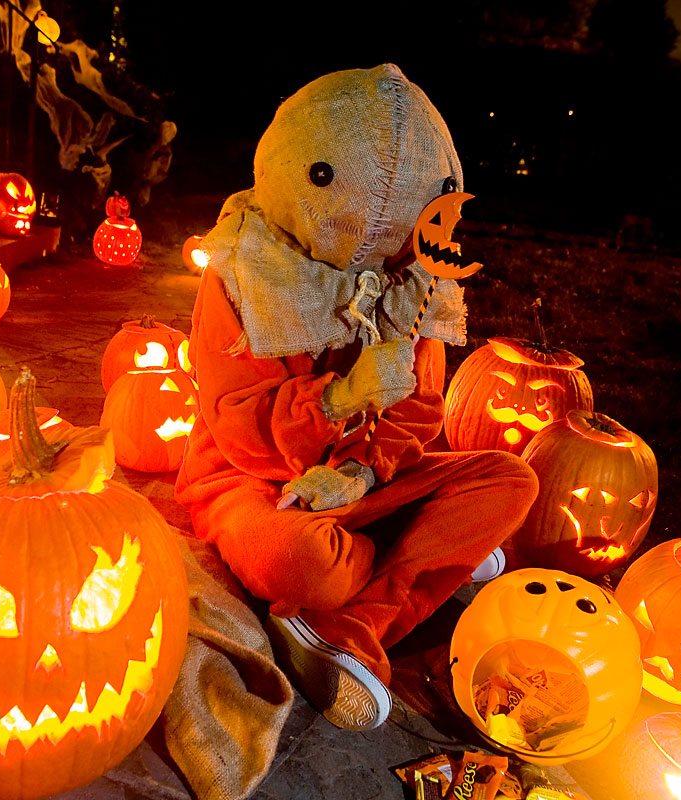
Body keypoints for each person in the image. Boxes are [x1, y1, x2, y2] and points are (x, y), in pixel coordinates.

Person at [175, 64, 539, 731]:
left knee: (512, 479)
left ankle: (352, 624)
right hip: (254, 482)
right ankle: (414, 554)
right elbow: (238, 430)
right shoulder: (242, 272)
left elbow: (421, 410)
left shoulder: (414, 279)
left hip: (363, 479)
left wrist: (361, 471)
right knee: (306, 562)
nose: (369, 245)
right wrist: (341, 396)